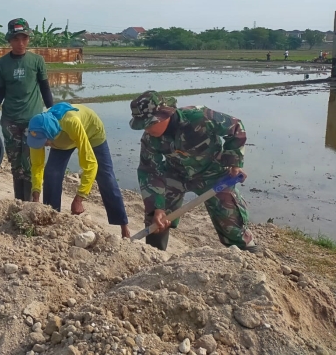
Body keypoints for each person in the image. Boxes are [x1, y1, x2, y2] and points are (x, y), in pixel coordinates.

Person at [129, 90, 259, 253]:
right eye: (144, 125)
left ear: (165, 114)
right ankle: (154, 254)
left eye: (150, 123)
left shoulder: (200, 117)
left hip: (213, 173)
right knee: (157, 220)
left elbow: (236, 128)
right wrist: (157, 208)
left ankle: (249, 254)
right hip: (175, 174)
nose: (147, 130)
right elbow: (149, 171)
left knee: (231, 220)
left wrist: (234, 162)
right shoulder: (150, 139)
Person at [0, 18, 54, 201]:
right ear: (10, 40)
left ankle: (33, 203)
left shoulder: (37, 61)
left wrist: (56, 113)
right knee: (16, 166)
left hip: (34, 122)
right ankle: (19, 203)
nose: (21, 43)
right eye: (16, 39)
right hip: (10, 122)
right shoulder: (2, 64)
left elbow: (45, 89)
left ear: (28, 39)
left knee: (32, 163)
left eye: (24, 38)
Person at [27, 103, 130, 238]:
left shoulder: (71, 122)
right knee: (51, 173)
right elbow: (37, 165)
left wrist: (79, 199)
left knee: (106, 177)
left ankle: (123, 226)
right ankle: (51, 218)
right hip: (61, 140)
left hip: (91, 132)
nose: (42, 146)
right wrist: (36, 195)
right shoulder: (36, 130)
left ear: (50, 135)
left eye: (44, 142)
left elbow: (90, 164)